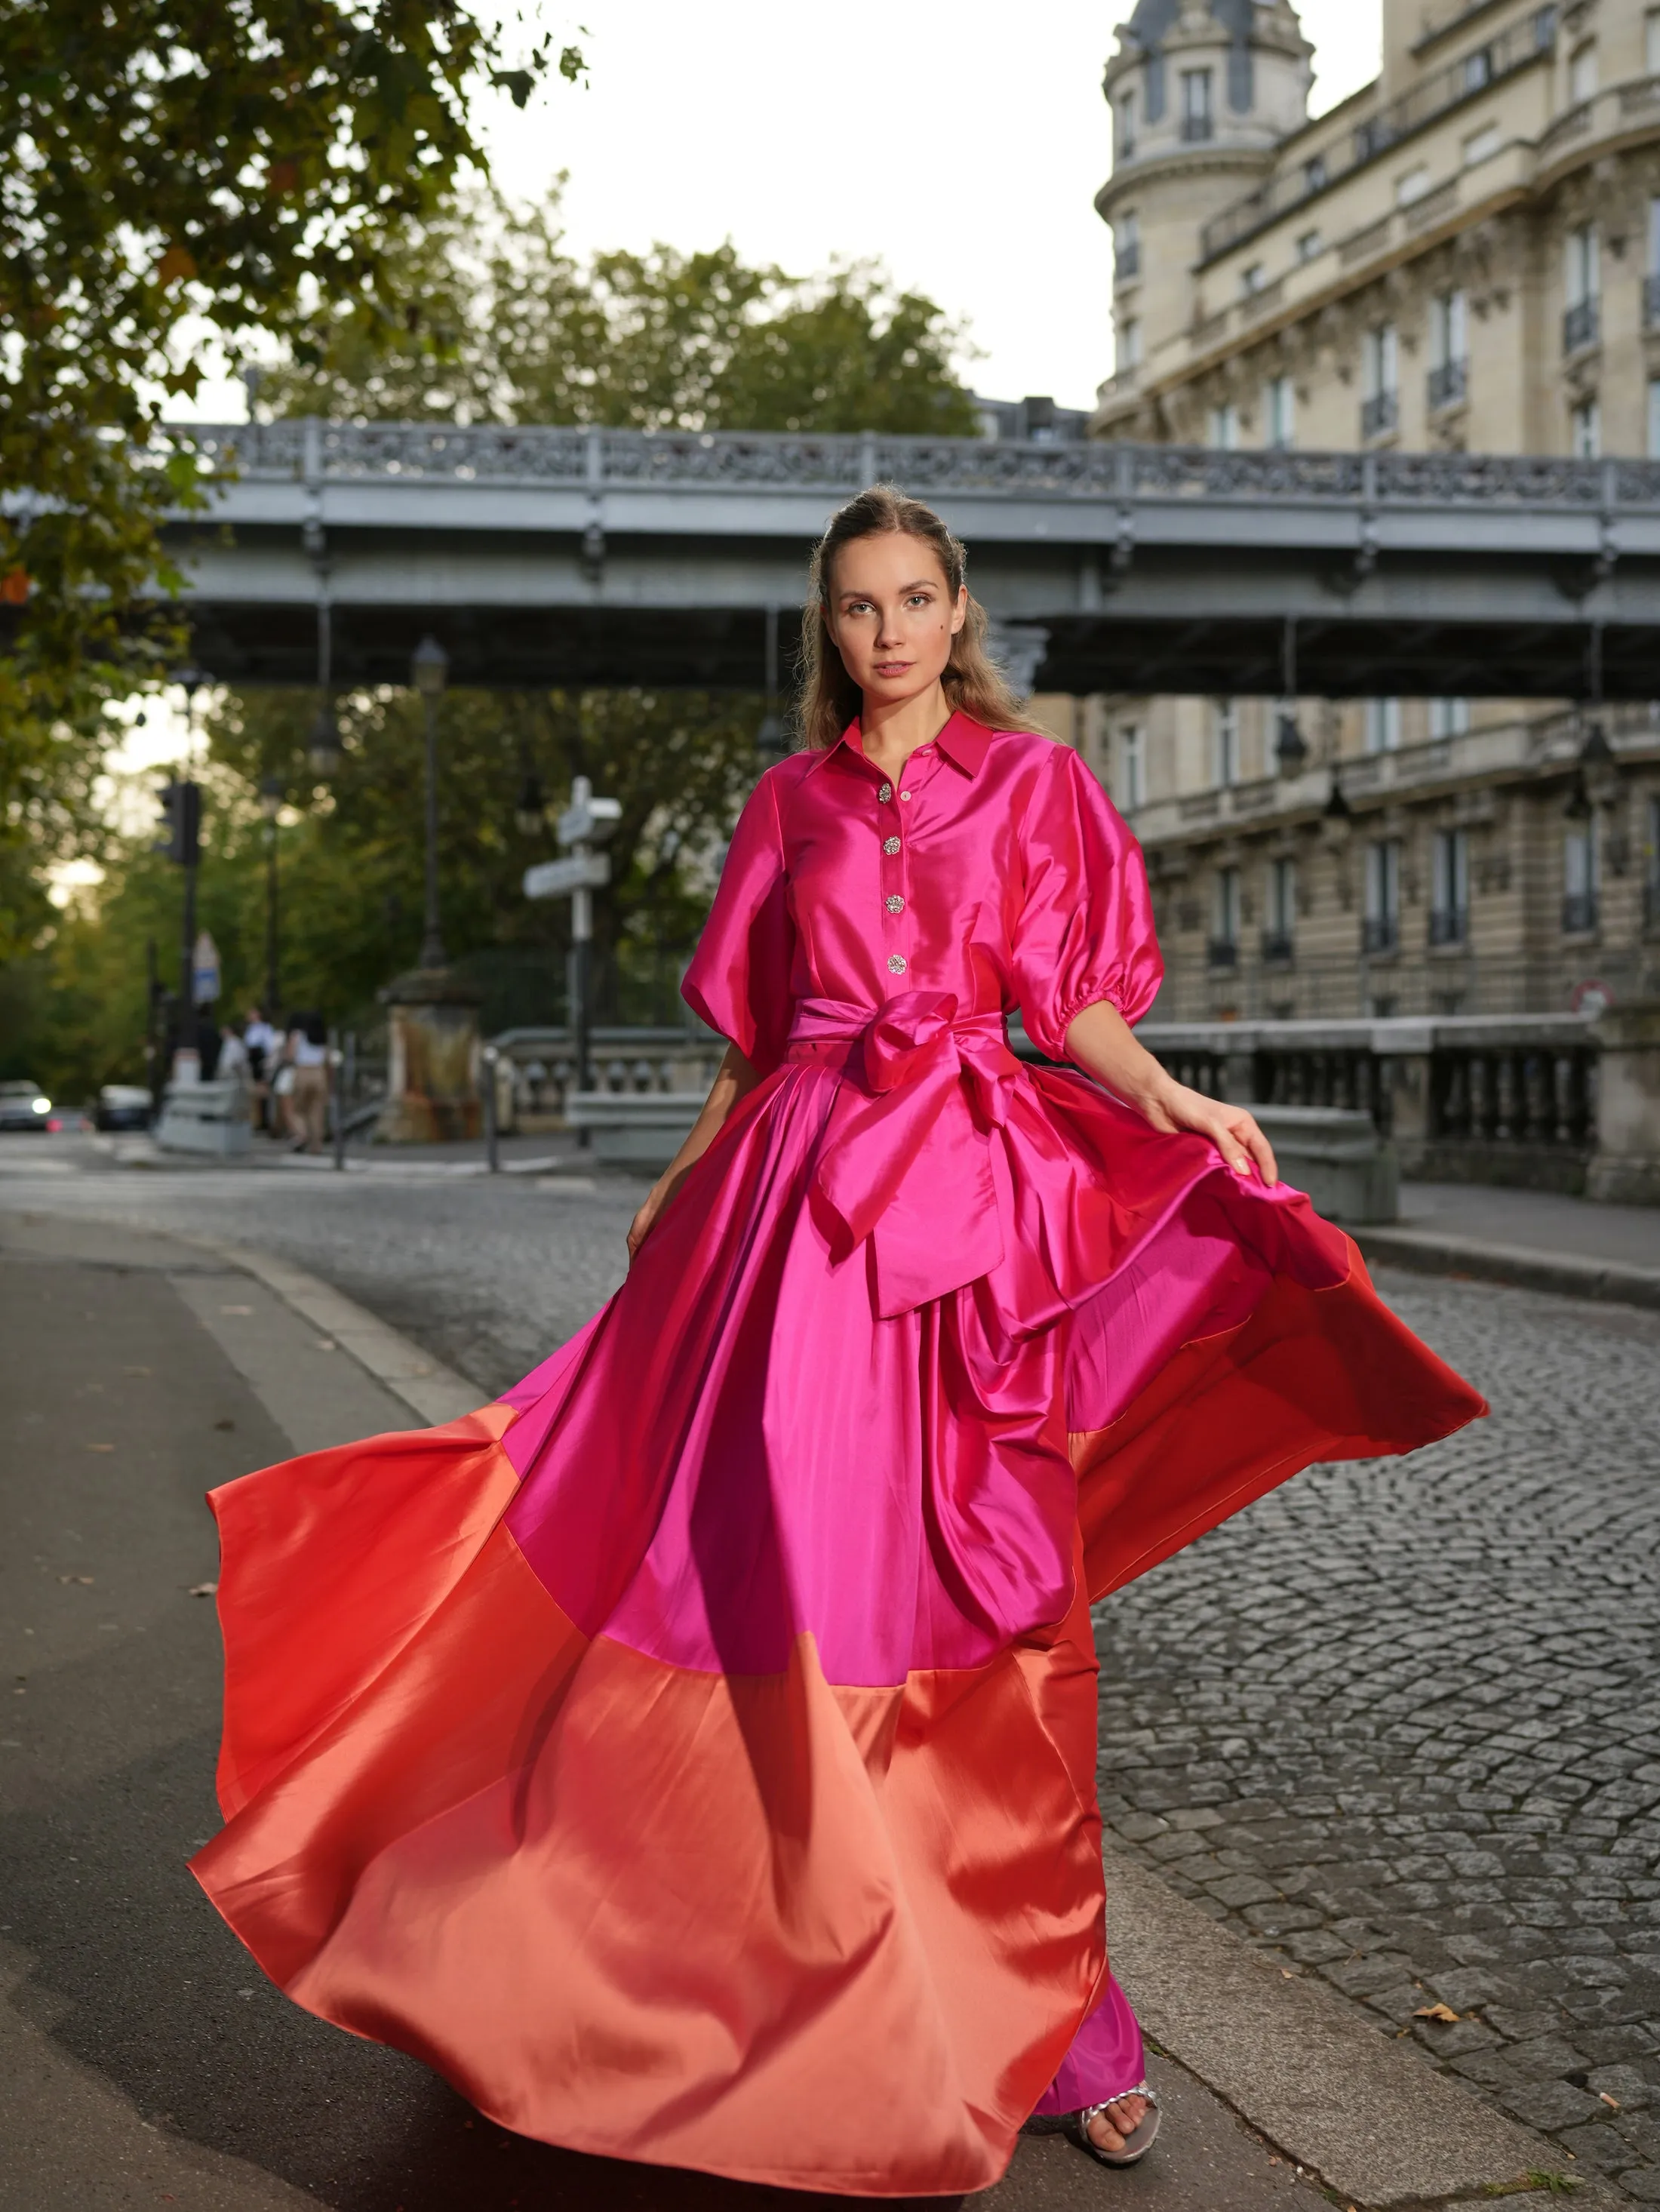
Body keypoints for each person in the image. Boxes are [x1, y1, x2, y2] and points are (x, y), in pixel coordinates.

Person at [190, 488, 1485, 2195]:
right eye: (858, 605)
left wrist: (1167, 1093)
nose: (887, 630)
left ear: (960, 614)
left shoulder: (1037, 784)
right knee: (761, 1600)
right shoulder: (786, 801)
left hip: (970, 1212)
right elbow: (750, 1033)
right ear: (831, 627)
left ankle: (1058, 2025)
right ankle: (696, 1979)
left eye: (916, 598)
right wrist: (682, 1173)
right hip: (787, 1215)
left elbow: (1066, 995)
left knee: (1002, 1608)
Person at [284, 1011, 329, 1154]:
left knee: (298, 1109)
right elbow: (328, 1059)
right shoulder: (322, 1039)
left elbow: (290, 1056)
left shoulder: (298, 1036)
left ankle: (302, 1133)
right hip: (319, 1073)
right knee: (317, 1111)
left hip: (303, 1071)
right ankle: (317, 1145)